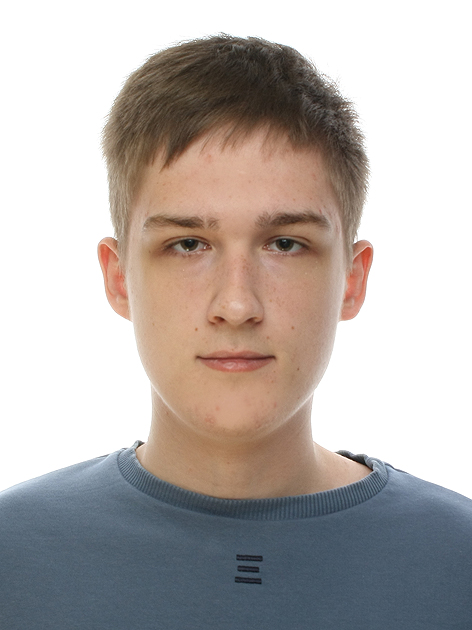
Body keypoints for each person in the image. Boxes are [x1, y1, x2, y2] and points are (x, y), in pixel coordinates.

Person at [0, 35, 471, 629]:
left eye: (285, 244)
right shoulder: (12, 557)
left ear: (352, 280)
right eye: (187, 244)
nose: (237, 304)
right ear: (119, 278)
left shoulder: (458, 563)